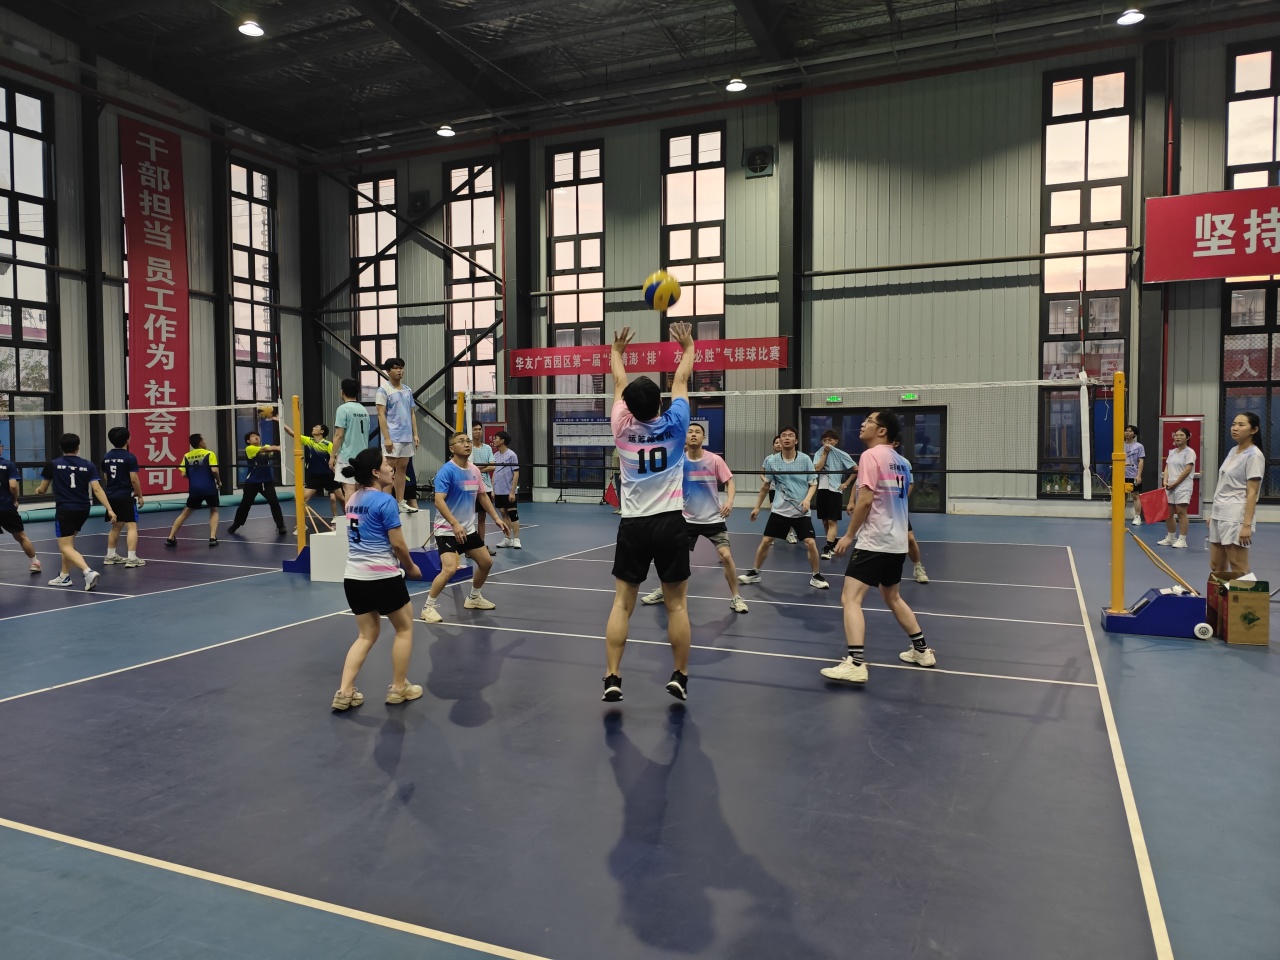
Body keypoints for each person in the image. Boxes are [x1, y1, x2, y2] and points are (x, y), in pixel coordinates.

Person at [602, 322, 696, 703]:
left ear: (628, 406)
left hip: (634, 524)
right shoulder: (677, 424)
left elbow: (618, 381)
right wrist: (688, 346)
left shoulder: (621, 427)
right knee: (677, 605)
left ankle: (612, 676)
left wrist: (616, 352)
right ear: (660, 404)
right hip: (671, 522)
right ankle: (680, 675)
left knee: (622, 603)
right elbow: (681, 379)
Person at [822, 410, 935, 685]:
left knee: (850, 598)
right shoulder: (902, 462)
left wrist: (849, 535)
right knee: (892, 596)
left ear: (882, 431)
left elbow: (865, 500)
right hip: (897, 542)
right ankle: (922, 651)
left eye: (869, 421)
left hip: (875, 540)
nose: (863, 424)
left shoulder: (870, 456)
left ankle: (856, 663)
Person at [331, 447, 424, 710]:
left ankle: (344, 692)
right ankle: (399, 687)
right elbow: (398, 545)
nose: (391, 467)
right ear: (375, 472)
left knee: (365, 636)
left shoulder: (352, 499)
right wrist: (412, 568)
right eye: (385, 464)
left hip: (354, 578)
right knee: (404, 629)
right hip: (383, 577)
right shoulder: (386, 501)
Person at [641, 422, 748, 613]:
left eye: (698, 432)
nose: (693, 434)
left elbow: (730, 482)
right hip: (686, 520)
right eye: (690, 431)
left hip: (714, 519)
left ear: (703, 438)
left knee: (726, 556)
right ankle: (663, 590)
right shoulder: (678, 461)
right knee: (672, 557)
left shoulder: (714, 460)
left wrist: (730, 501)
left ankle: (736, 597)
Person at [420, 431, 509, 625]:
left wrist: (496, 518)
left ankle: (474, 597)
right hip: (447, 530)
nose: (467, 444)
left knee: (486, 562)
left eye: (468, 441)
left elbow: (482, 496)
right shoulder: (447, 471)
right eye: (461, 441)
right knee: (449, 569)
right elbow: (438, 501)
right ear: (452, 448)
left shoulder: (474, 470)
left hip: (467, 530)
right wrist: (454, 524)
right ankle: (428, 607)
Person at [738, 427, 829, 590]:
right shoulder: (772, 461)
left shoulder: (805, 459)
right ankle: (755, 572)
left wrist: (807, 499)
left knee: (810, 542)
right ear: (779, 440)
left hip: (800, 511)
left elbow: (813, 483)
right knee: (766, 541)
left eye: (790, 435)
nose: (787, 438)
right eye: (784, 436)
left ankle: (816, 576)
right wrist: (757, 507)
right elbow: (766, 486)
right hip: (780, 510)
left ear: (796, 441)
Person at [35, 433, 115, 591]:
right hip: (83, 509)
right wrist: (109, 508)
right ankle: (64, 576)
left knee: (64, 547)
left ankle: (87, 572)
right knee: (69, 544)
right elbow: (97, 489)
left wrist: (38, 490)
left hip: (65, 509)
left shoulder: (53, 465)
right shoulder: (88, 465)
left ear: (60, 447)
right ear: (78, 447)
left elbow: (42, 489)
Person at [1208, 412, 1264, 581]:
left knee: (1238, 567)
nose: (1235, 428)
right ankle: (1221, 599)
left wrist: (1246, 525)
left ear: (1254, 430)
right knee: (1216, 566)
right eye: (1233, 424)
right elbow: (1224, 484)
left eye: (1241, 425)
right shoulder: (1233, 451)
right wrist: (1213, 513)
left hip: (1235, 515)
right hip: (1220, 513)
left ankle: (1248, 598)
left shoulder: (1254, 456)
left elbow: (1252, 493)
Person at [376, 358, 419, 511]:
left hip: (406, 437)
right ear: (388, 371)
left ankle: (400, 501)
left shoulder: (407, 390)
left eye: (401, 368)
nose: (400, 371)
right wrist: (387, 438)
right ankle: (387, 502)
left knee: (402, 469)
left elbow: (412, 413)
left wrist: (415, 434)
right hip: (392, 437)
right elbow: (380, 414)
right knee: (389, 470)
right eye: (396, 368)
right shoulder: (383, 390)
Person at [227, 430, 287, 536]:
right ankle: (236, 524)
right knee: (245, 504)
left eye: (257, 435)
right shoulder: (249, 449)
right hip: (252, 482)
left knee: (274, 502)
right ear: (248, 441)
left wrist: (280, 447)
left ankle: (281, 525)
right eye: (253, 436)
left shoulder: (266, 447)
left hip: (267, 482)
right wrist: (278, 447)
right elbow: (267, 449)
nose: (256, 437)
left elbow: (269, 449)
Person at [101, 426, 145, 567]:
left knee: (116, 526)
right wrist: (139, 495)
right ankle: (132, 558)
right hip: (125, 495)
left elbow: (106, 477)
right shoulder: (129, 457)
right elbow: (134, 479)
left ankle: (110, 556)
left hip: (111, 495)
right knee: (131, 526)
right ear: (127, 439)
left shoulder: (106, 457)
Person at [167, 434, 221, 546]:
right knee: (214, 510)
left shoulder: (187, 456)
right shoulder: (209, 453)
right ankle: (212, 538)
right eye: (204, 439)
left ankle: (170, 537)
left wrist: (195, 476)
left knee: (185, 513)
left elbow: (183, 474)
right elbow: (214, 470)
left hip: (195, 489)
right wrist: (219, 481)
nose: (205, 441)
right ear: (200, 442)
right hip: (209, 488)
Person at [280, 419, 340, 520]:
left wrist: (336, 468)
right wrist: (280, 421)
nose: (313, 428)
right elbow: (292, 433)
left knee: (338, 498)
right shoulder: (308, 441)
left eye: (316, 427)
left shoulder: (328, 444)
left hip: (328, 475)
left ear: (322, 431)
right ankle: (301, 524)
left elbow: (335, 457)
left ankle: (339, 519)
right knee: (302, 499)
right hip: (314, 476)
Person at [889, 438, 929, 584]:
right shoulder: (874, 460)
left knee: (909, 538)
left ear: (896, 444)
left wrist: (902, 501)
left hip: (897, 508)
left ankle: (918, 567)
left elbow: (910, 483)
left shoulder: (904, 462)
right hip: (879, 509)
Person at [813, 428, 856, 559]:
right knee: (825, 521)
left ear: (836, 441)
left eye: (830, 440)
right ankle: (831, 544)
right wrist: (824, 454)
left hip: (835, 490)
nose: (827, 442)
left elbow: (856, 469)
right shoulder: (819, 453)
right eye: (825, 440)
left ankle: (828, 548)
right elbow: (817, 469)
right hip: (822, 490)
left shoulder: (841, 454)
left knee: (832, 521)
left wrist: (846, 483)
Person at [0, 439, 40, 573]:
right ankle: (34, 562)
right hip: (6, 506)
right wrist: (15, 500)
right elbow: (13, 485)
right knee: (21, 536)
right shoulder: (8, 465)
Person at [1158, 428, 1196, 549]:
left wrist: (1176, 483)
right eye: (1176, 435)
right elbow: (1167, 467)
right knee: (1168, 514)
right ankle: (1171, 538)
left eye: (1181, 435)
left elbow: (1188, 470)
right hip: (1170, 486)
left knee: (1181, 512)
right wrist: (1165, 481)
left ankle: (1182, 540)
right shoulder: (1172, 452)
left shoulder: (1190, 452)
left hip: (1183, 485)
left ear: (1188, 437)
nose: (1178, 437)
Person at [330, 377, 371, 489]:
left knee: (349, 488)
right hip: (362, 456)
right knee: (360, 490)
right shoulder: (363, 410)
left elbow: (339, 435)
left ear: (342, 392)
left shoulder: (343, 409)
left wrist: (332, 456)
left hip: (347, 456)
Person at [491, 430, 522, 548]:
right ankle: (507, 538)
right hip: (499, 491)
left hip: (509, 491)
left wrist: (512, 492)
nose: (494, 440)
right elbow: (494, 473)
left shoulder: (512, 455)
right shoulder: (495, 455)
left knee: (513, 514)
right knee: (503, 514)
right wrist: (493, 490)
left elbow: (516, 473)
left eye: (496, 438)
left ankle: (517, 539)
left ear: (502, 441)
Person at [470, 422, 496, 554]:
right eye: (475, 429)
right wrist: (483, 466)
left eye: (480, 429)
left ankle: (481, 545)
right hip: (470, 486)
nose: (478, 432)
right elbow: (467, 466)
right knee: (468, 517)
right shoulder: (468, 448)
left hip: (485, 487)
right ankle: (469, 547)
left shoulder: (487, 448)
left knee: (482, 517)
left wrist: (476, 468)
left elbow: (492, 466)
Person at [1124, 424, 1145, 526]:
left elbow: (1141, 461)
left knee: (1135, 495)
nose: (1127, 433)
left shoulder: (1139, 446)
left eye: (1130, 431)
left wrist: (1138, 475)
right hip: (1122, 475)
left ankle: (1137, 517)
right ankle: (1119, 517)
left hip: (1133, 474)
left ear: (1134, 434)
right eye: (1126, 431)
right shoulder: (1120, 445)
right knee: (1121, 496)